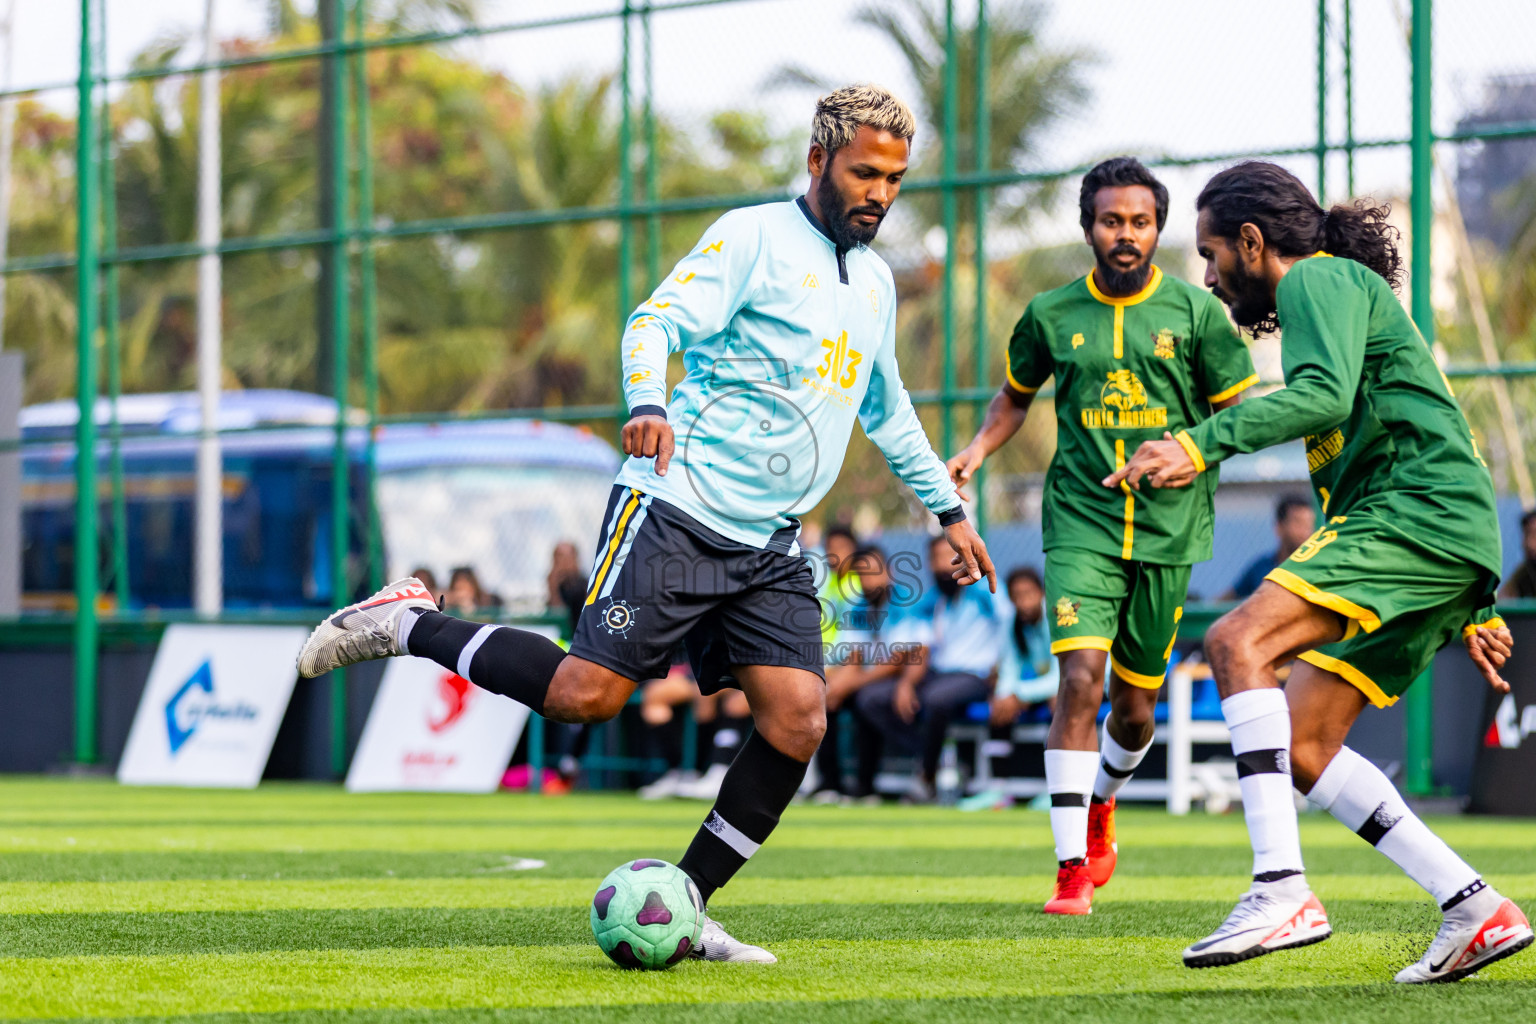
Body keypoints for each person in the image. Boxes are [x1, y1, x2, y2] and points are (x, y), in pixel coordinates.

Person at [295, 84, 994, 965]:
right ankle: (407, 620)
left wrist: (949, 509)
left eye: (894, 180)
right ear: (818, 161)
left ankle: (687, 905)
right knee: (584, 699)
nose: (879, 195)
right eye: (864, 173)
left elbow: (888, 411)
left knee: (799, 720)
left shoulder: (878, 282)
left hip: (770, 543)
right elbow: (652, 322)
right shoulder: (751, 237)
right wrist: (649, 400)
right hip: (679, 507)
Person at [1108, 160, 1531, 981]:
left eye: (1209, 253)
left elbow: (1324, 397)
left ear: (1253, 242)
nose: (1207, 276)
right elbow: (1390, 434)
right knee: (1301, 742)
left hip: (1420, 516)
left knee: (1237, 643)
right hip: (1433, 533)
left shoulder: (1318, 282)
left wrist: (1197, 444)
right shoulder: (1336, 308)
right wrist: (1472, 599)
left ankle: (1281, 890)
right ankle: (1474, 907)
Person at [947, 157, 1258, 914]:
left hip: (1168, 532)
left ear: (1158, 229)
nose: (1126, 235)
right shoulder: (1052, 315)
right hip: (1081, 523)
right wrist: (979, 449)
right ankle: (1068, 871)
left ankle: (1101, 807)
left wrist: (1193, 454)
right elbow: (1013, 397)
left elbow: (1240, 418)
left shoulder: (1196, 314)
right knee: (1078, 680)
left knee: (1134, 710)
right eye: (1112, 221)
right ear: (1089, 226)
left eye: (1140, 222)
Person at [853, 534, 1005, 803]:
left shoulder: (985, 589)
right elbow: (920, 648)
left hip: (976, 675)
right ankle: (937, 758)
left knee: (936, 698)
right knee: (870, 699)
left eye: (948, 556)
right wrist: (906, 684)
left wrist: (1002, 678)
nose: (941, 565)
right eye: (934, 559)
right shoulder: (931, 600)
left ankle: (927, 777)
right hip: (937, 674)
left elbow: (1009, 628)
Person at [815, 545, 906, 801]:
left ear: (887, 572)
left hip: (901, 680)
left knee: (867, 699)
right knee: (827, 698)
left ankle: (866, 787)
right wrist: (837, 688)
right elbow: (854, 658)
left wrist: (853, 684)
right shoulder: (858, 608)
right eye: (862, 575)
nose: (868, 581)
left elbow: (897, 663)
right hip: (869, 679)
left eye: (873, 573)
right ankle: (830, 784)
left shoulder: (903, 603)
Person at [991, 566, 1059, 722]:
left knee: (1059, 700)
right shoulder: (1011, 624)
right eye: (1017, 595)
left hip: (1061, 686)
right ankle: (1001, 745)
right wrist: (1003, 696)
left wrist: (1017, 693)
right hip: (1036, 686)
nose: (1024, 602)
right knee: (1001, 704)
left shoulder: (1056, 620)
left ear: (1042, 592)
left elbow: (1060, 679)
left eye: (1029, 593)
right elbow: (1009, 670)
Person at [1225, 495, 1316, 600]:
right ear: (1279, 527)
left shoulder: (1317, 570)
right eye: (1298, 523)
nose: (1305, 532)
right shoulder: (1261, 567)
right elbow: (1225, 600)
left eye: (1309, 524)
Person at [1498, 509, 1536, 599]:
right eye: (1526, 535)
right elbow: (1502, 600)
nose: (1529, 543)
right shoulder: (1524, 571)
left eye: (1535, 536)